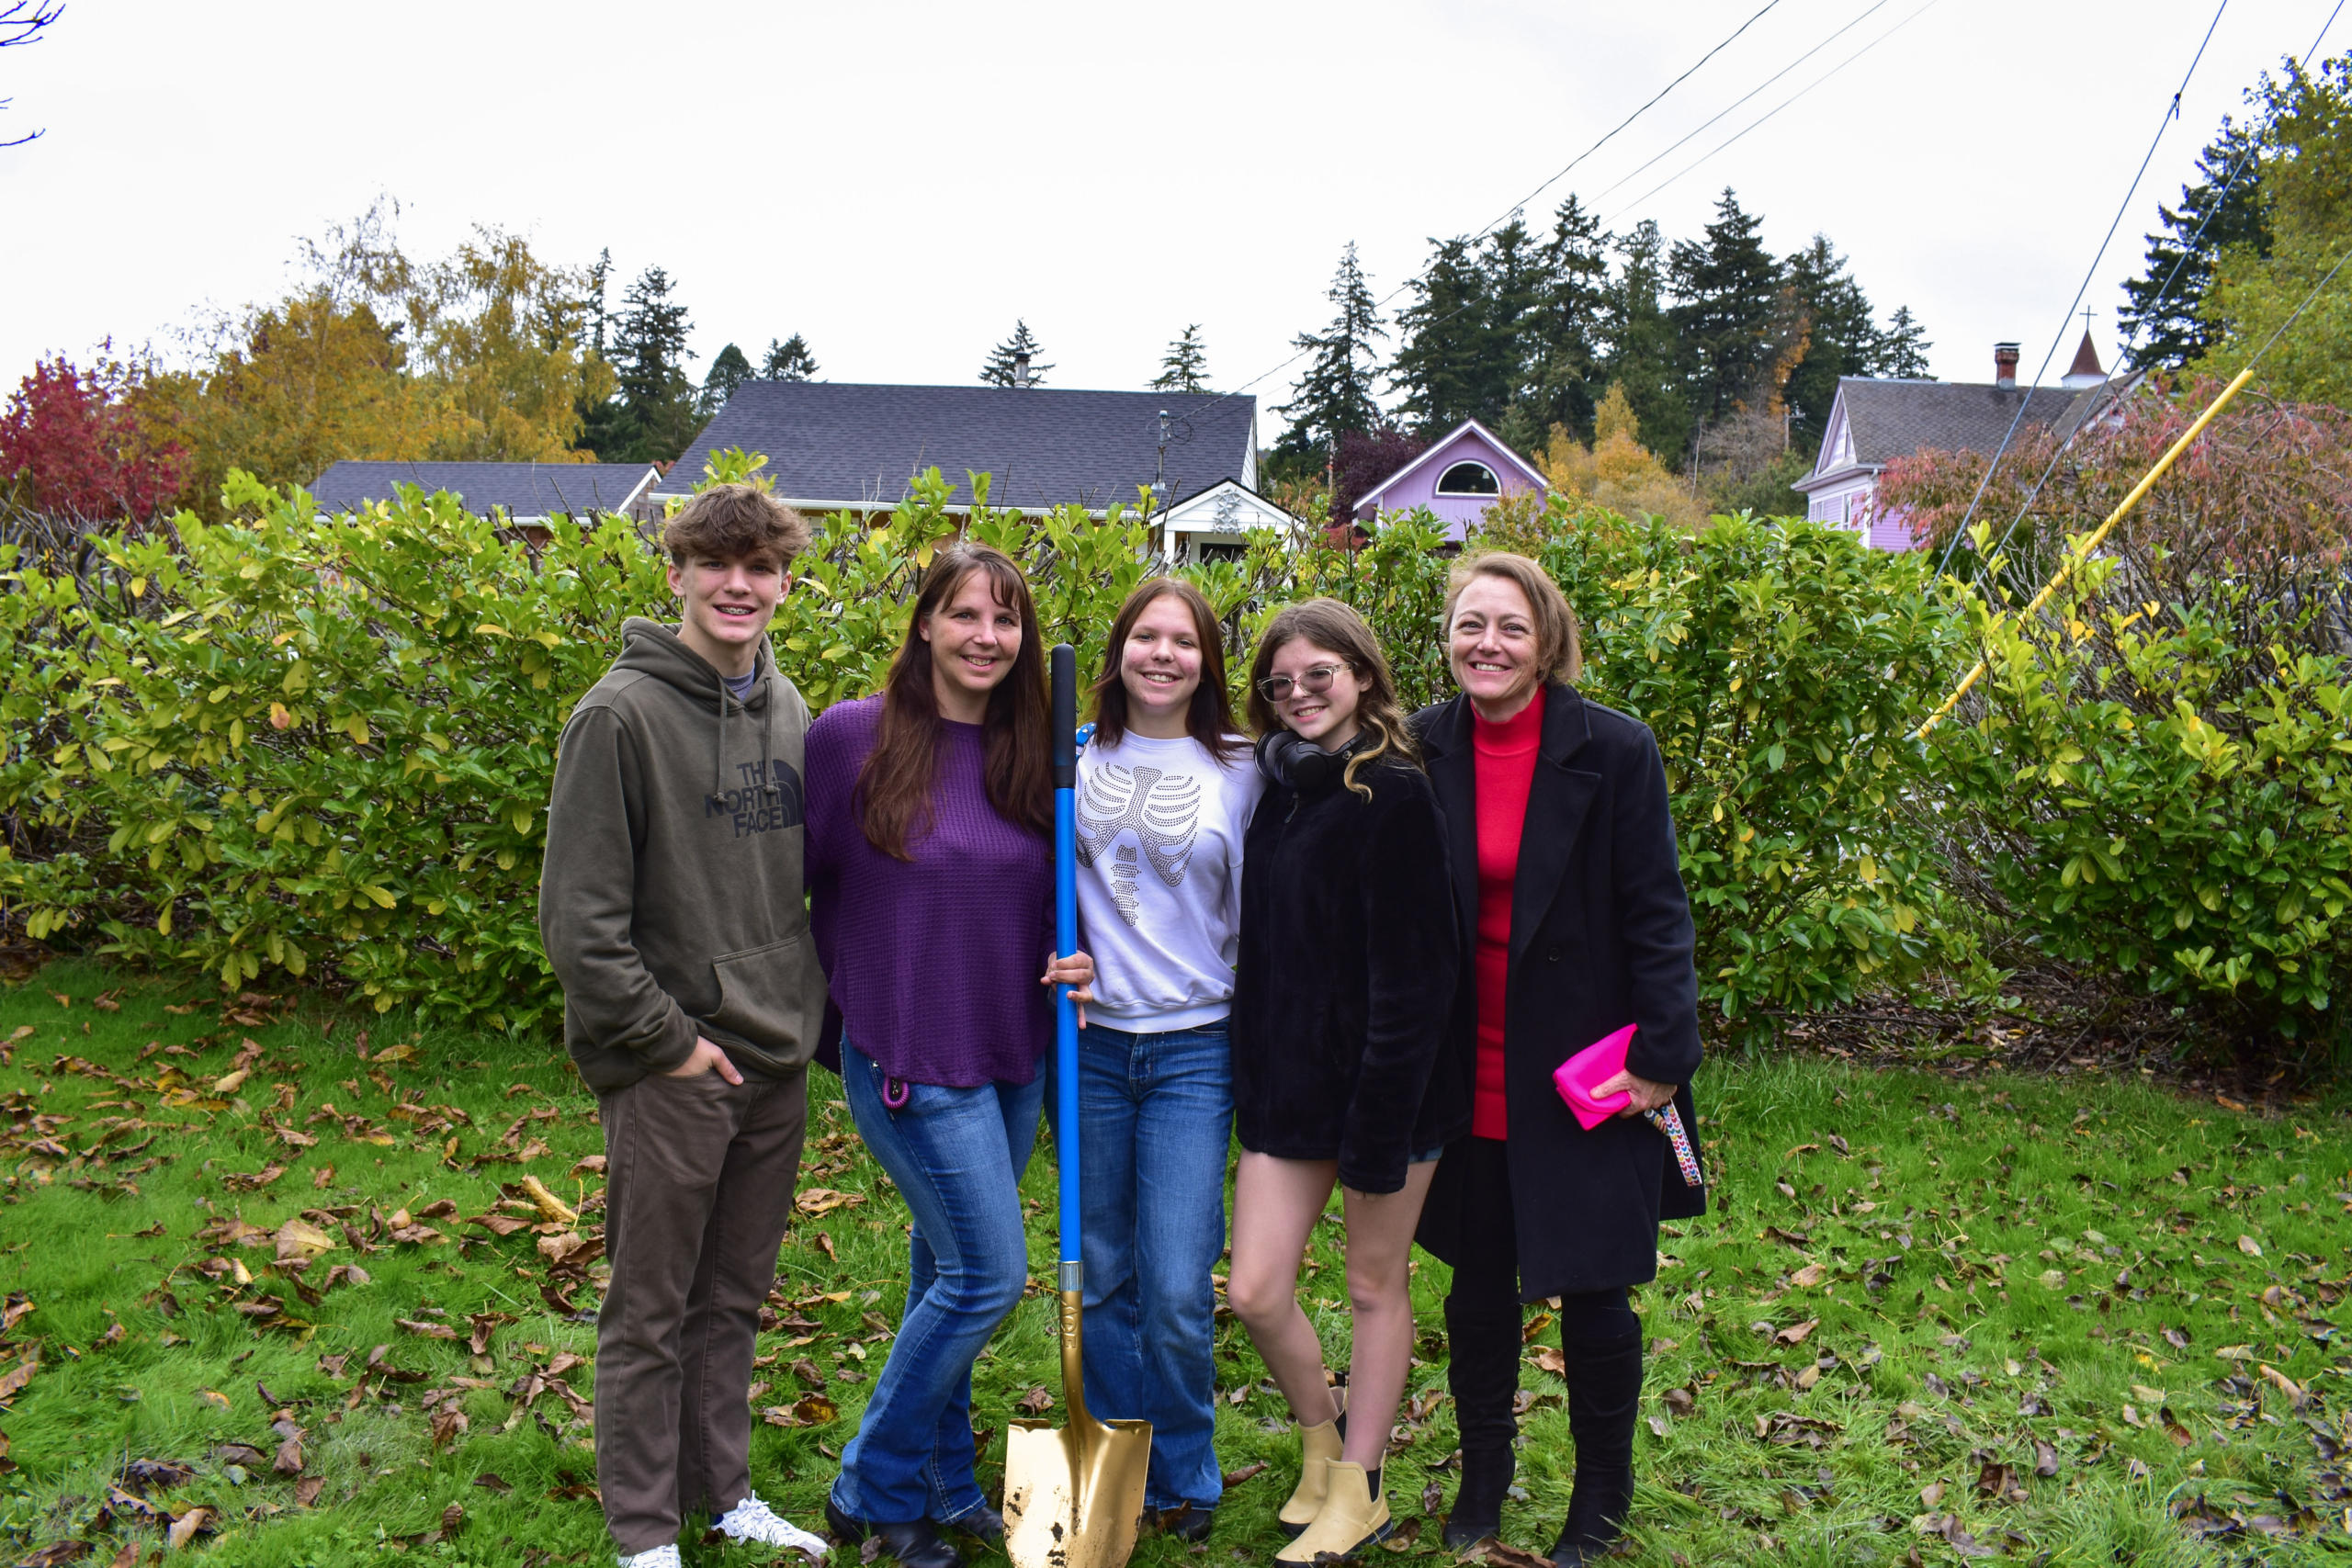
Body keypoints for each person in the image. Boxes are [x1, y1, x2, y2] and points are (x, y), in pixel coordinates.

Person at [538, 483, 835, 1568]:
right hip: (674, 1066)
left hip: (774, 1057)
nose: (737, 585)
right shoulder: (616, 718)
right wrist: (670, 1043)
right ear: (675, 574)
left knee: (734, 1299)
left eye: (760, 567)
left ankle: (724, 1494)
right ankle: (642, 1533)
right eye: (715, 564)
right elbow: (580, 925)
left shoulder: (788, 706)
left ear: (785, 584)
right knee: (652, 1308)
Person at [1410, 552, 1706, 1566]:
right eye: (1468, 625)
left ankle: (1600, 1491)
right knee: (1478, 1282)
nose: (1486, 644)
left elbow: (1657, 909)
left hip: (1587, 1069)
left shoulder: (1613, 750)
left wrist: (1666, 1055)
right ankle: (1483, 1471)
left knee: (1591, 1287)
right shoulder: (1419, 747)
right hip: (1466, 1066)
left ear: (1546, 642)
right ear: (1446, 637)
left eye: (1509, 627)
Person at [805, 542, 1095, 1568]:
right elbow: (789, 890)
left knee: (942, 1268)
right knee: (984, 1275)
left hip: (1012, 1050)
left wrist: (1080, 962)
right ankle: (869, 1482)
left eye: (1005, 620)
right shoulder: (850, 740)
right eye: (965, 615)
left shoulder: (1035, 753)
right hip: (908, 1052)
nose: (986, 637)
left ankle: (940, 1485)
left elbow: (1049, 895)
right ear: (924, 622)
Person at [1226, 597, 1464, 1565]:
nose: (1298, 697)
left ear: (1361, 675)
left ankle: (1360, 1488)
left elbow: (1417, 979)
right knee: (1253, 1290)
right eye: (1280, 685)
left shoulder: (1394, 792)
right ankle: (1320, 1442)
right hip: (1288, 1091)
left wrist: (1379, 1125)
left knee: (1372, 1285)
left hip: (1385, 1096)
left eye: (1318, 676)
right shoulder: (1279, 785)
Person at [1058, 577, 1262, 1542]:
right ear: (1119, 649)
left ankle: (1185, 1465)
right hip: (1091, 1048)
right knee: (1100, 1274)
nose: (1163, 654)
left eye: (1184, 641)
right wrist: (1046, 956)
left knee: (1177, 1283)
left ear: (1206, 661)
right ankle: (1113, 1460)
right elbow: (1024, 886)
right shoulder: (1072, 758)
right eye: (1146, 636)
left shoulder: (1243, 769)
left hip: (1194, 1049)